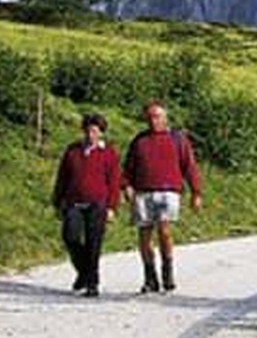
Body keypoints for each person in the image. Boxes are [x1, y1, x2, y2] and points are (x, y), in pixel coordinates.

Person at [121, 100, 204, 293]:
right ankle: (150, 277)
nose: (153, 121)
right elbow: (128, 167)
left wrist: (196, 192)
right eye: (149, 117)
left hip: (168, 191)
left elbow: (189, 166)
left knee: (164, 231)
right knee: (144, 235)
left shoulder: (177, 139)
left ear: (165, 118)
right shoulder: (139, 140)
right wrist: (126, 186)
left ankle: (167, 271)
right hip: (143, 192)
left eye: (157, 116)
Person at [51, 112, 120, 297]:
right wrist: (57, 201)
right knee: (70, 237)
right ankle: (83, 271)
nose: (91, 135)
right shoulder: (72, 151)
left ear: (101, 133)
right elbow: (62, 177)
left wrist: (112, 207)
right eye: (88, 131)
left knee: (94, 243)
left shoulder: (108, 153)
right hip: (74, 202)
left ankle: (92, 283)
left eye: (95, 131)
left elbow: (113, 181)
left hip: (98, 203)